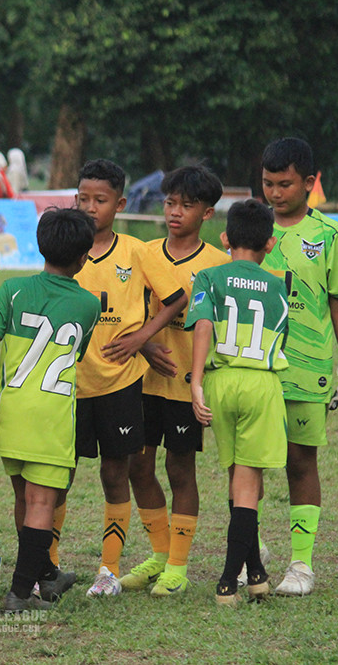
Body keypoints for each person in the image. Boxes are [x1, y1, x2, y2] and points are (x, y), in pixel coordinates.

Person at [0, 208, 101, 612]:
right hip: (51, 416)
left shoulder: (12, 290)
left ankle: (47, 574)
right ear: (83, 258)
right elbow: (76, 354)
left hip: (13, 411)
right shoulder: (88, 305)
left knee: (24, 496)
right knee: (42, 504)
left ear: (40, 247)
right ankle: (20, 595)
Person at [67, 159, 187, 598]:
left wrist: (141, 338)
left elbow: (176, 299)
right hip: (70, 382)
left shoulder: (136, 251)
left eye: (100, 200)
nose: (90, 207)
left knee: (116, 473)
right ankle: (48, 564)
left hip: (120, 382)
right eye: (83, 198)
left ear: (119, 204)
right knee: (59, 476)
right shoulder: (67, 249)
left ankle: (108, 569)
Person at [260, 137, 338, 596]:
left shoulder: (329, 235)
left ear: (308, 182)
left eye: (284, 184)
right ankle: (249, 550)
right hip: (254, 367)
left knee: (301, 462)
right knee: (248, 462)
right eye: (268, 183)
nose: (275, 193)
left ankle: (301, 564)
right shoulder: (251, 226)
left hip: (308, 369)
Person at [127, 165, 229, 597]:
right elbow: (128, 312)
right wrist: (145, 343)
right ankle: (159, 552)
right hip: (141, 381)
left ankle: (178, 566)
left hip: (187, 384)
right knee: (137, 466)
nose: (174, 212)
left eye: (186, 206)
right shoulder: (144, 253)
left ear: (207, 213)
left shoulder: (219, 264)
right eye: (170, 203)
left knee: (180, 468)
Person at [189, 199, 289, 606]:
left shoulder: (208, 276)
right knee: (248, 486)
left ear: (225, 238)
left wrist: (196, 383)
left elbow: (203, 326)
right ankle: (229, 581)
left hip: (220, 383)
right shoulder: (279, 285)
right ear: (270, 244)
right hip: (260, 384)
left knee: (237, 479)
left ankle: (258, 574)